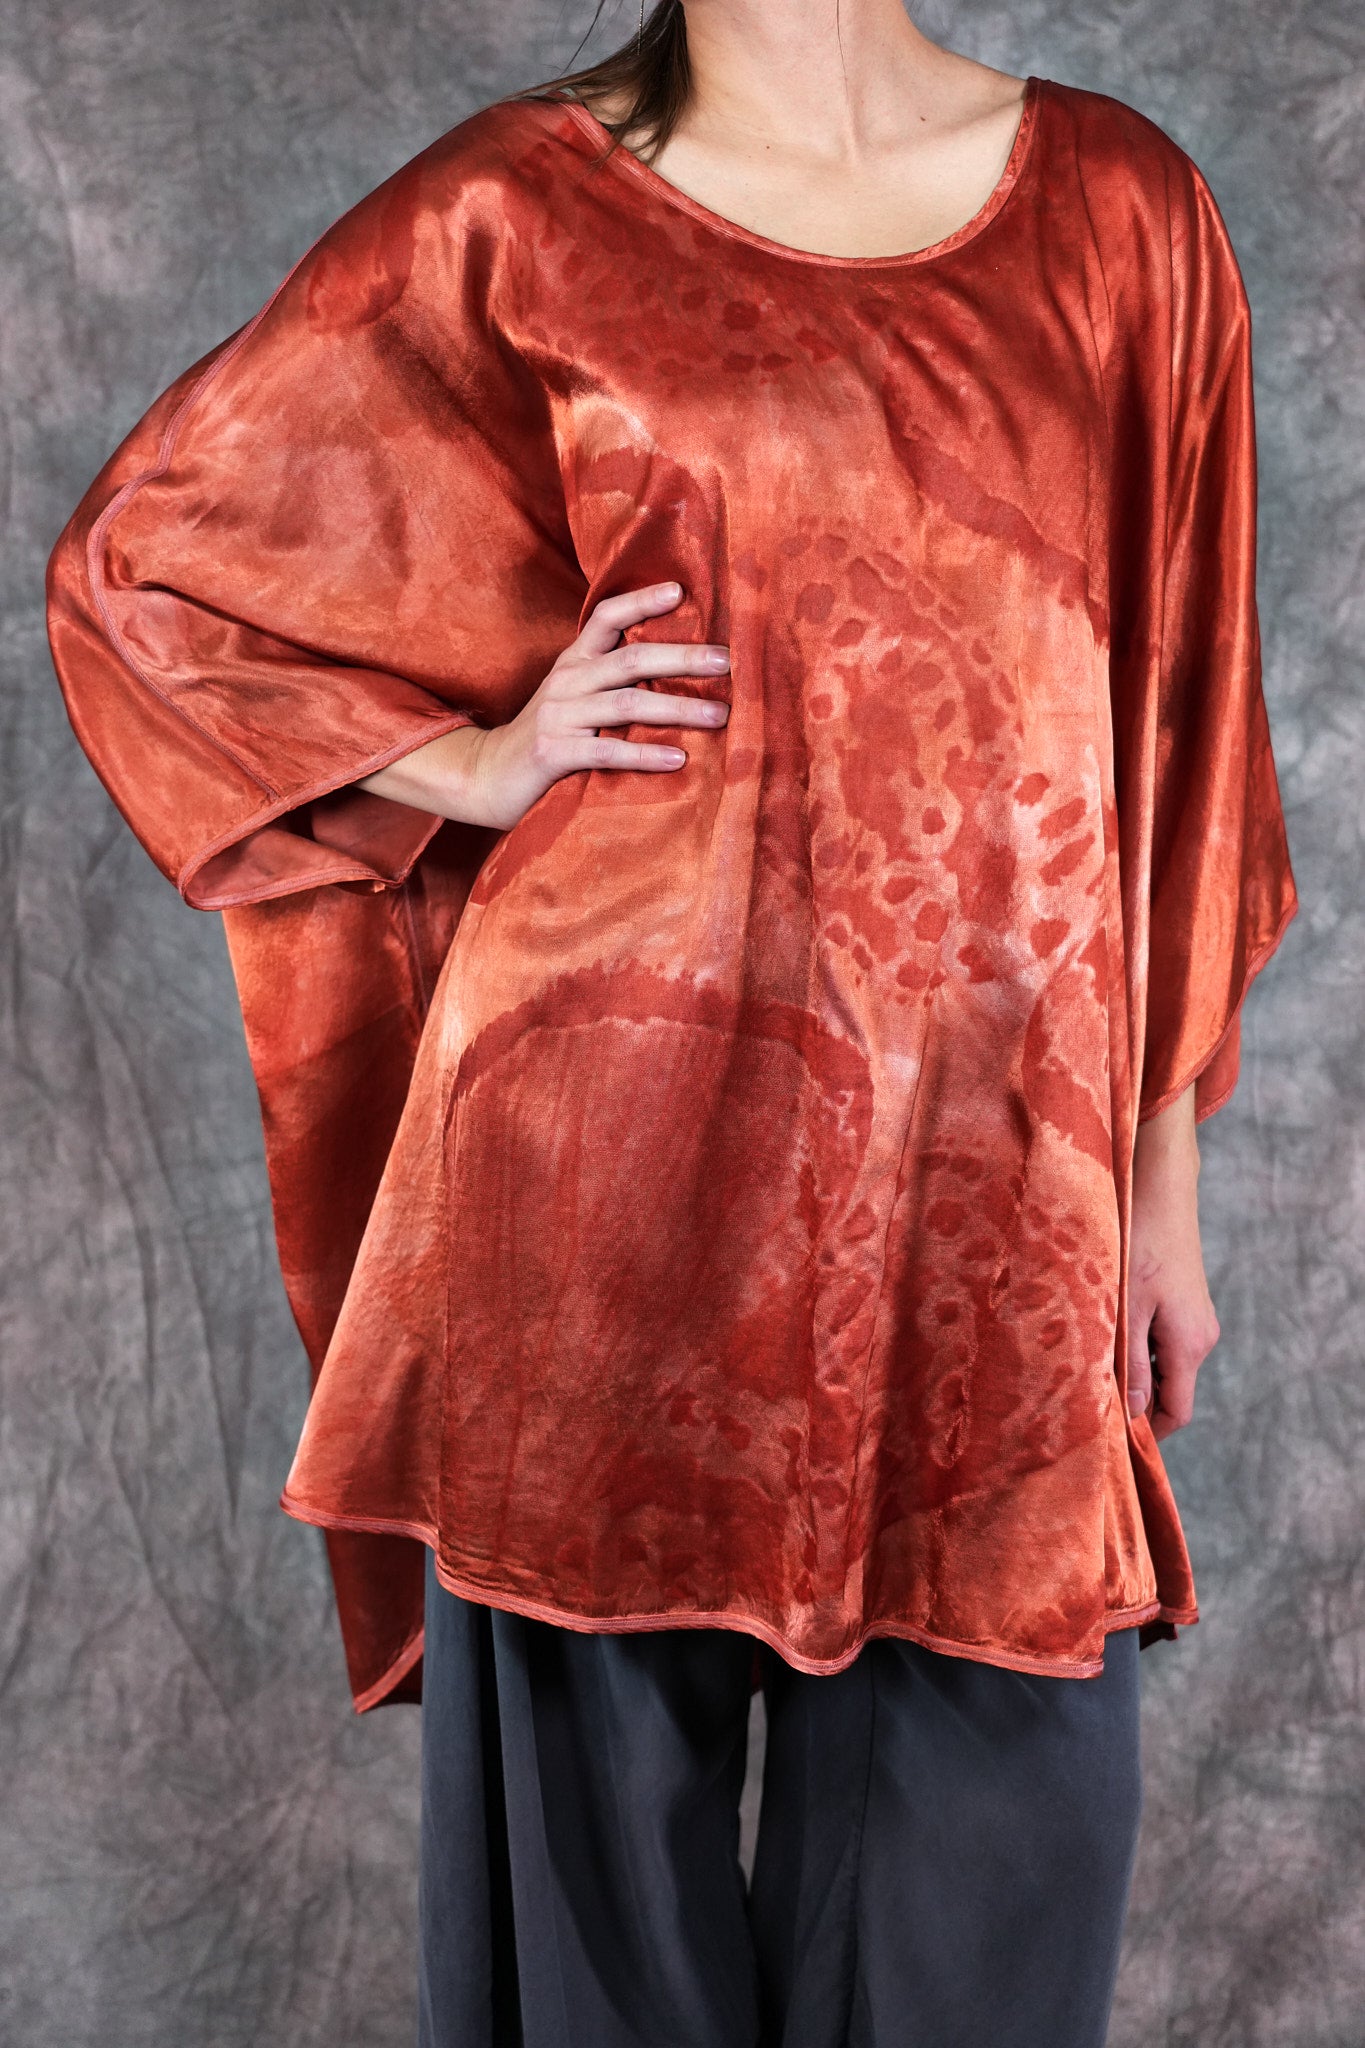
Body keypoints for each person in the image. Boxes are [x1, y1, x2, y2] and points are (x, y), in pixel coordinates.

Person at [47, 1, 1298, 2041]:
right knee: (594, 1942)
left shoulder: (1120, 211)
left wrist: (1156, 1178)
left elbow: (1180, 722)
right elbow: (146, 577)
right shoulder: (516, 210)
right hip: (593, 1178)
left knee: (991, 1868)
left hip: (991, 1188)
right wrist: (475, 763)